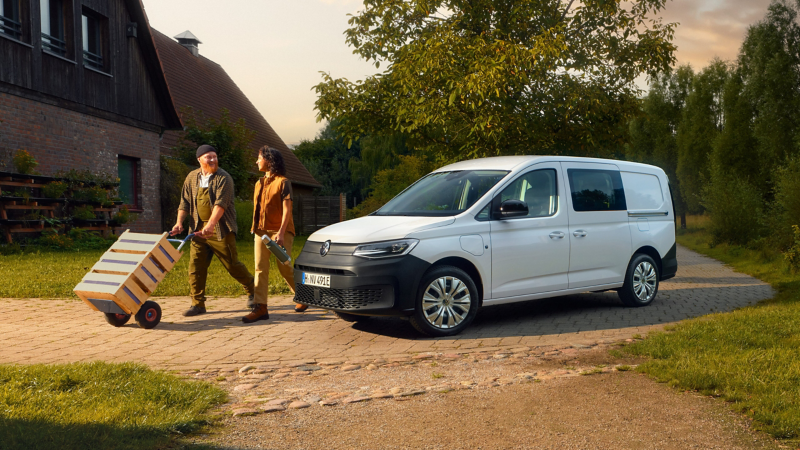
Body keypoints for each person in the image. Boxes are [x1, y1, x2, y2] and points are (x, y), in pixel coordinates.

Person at [170, 144, 255, 317]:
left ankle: (254, 292)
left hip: (220, 229)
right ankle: (198, 304)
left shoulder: (224, 178)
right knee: (195, 267)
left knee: (232, 265)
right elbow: (184, 202)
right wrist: (179, 222)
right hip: (197, 230)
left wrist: (210, 226)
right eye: (209, 157)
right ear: (199, 159)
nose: (213, 160)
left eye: (215, 157)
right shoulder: (192, 177)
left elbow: (220, 205)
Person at [245, 146, 302, 323]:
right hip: (260, 232)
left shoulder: (283, 182)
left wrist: (282, 232)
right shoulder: (258, 183)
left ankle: (303, 296)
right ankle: (260, 307)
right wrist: (255, 229)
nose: (257, 161)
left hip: (280, 232)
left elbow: (287, 211)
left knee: (284, 267)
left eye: (259, 158)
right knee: (260, 268)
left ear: (269, 160)